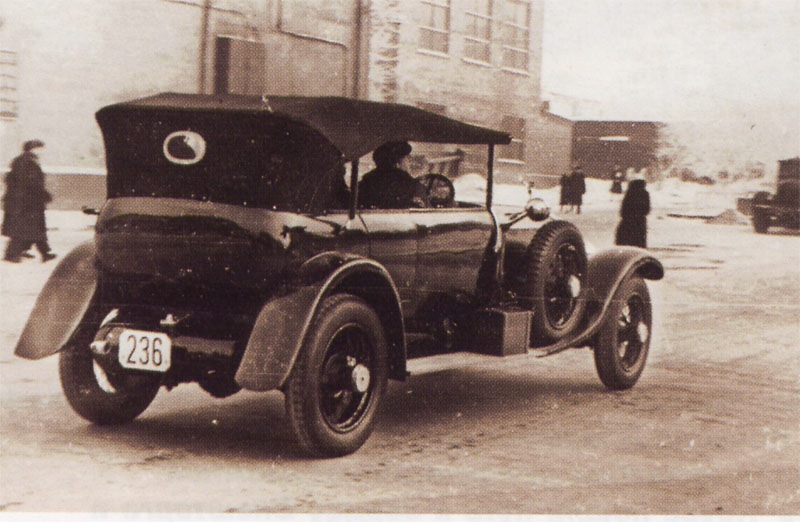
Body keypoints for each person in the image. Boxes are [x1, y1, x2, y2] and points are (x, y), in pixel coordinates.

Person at [2, 140, 56, 263]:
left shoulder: (25, 161)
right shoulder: (26, 162)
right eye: (41, 149)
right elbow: (30, 183)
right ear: (33, 149)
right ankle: (12, 255)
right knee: (25, 230)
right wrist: (44, 195)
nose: (43, 152)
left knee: (31, 229)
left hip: (26, 202)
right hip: (25, 203)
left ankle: (44, 253)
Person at [358, 141, 419, 209]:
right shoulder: (404, 180)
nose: (409, 162)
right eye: (406, 158)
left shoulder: (367, 179)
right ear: (397, 161)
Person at [615, 177, 650, 248]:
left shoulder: (629, 193)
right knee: (638, 244)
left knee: (625, 243)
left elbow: (623, 209)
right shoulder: (644, 194)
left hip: (627, 222)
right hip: (639, 223)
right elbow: (646, 209)